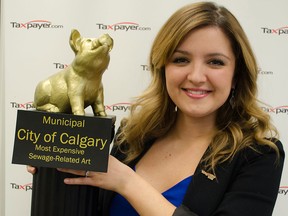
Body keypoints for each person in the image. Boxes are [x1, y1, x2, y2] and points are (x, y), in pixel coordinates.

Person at [28, 1, 285, 215]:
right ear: (162, 68)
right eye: (181, 59)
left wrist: (127, 182)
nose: (196, 76)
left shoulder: (259, 156)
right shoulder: (133, 137)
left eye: (215, 62)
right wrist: (54, 172)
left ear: (237, 74)